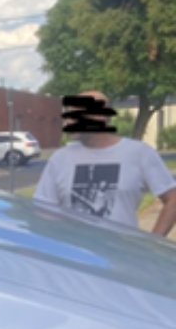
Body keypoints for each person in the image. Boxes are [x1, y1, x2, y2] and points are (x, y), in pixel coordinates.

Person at [34, 91, 176, 237]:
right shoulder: (59, 159)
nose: (68, 122)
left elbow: (172, 199)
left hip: (121, 256)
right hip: (74, 255)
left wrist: (153, 243)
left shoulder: (139, 154)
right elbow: (44, 211)